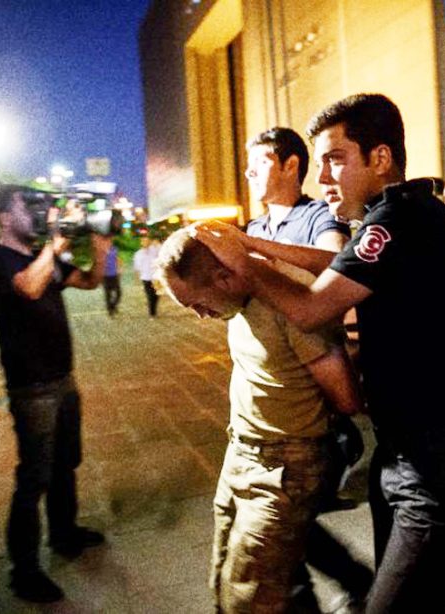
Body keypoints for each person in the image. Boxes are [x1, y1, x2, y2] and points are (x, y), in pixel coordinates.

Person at [195, 93, 445, 613]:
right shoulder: (404, 216)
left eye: (336, 159)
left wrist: (243, 261)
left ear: (379, 158)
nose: (323, 178)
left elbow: (311, 309)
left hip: (438, 467)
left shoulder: (395, 221)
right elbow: (347, 280)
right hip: (406, 454)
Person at [155, 227, 364, 612]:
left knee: (248, 596)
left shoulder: (286, 304)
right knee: (225, 574)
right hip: (241, 455)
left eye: (198, 304)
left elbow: (346, 397)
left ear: (223, 278)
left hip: (285, 468)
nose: (202, 316)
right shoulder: (237, 301)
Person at [245, 126, 371, 608]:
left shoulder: (315, 215)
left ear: (290, 165)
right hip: (276, 402)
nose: (250, 172)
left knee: (284, 519)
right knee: (284, 521)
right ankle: (342, 586)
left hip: (320, 399)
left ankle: (341, 585)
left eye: (258, 162)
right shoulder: (256, 229)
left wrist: (252, 253)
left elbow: (335, 259)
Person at [0, 188, 110, 603]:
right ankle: (24, 570)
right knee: (33, 478)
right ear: (4, 217)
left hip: (63, 377)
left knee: (65, 465)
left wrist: (101, 246)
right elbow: (30, 288)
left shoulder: (45, 256)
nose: (37, 213)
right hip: (31, 385)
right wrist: (55, 244)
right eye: (27, 207)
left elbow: (89, 281)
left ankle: (64, 534)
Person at [133, 235, 161, 317]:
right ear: (141, 243)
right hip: (145, 278)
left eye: (147, 241)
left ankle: (152, 308)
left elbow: (162, 253)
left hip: (156, 278)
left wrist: (157, 243)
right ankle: (152, 313)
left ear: (150, 242)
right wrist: (137, 279)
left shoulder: (155, 250)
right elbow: (137, 267)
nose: (146, 242)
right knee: (150, 295)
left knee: (156, 295)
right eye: (144, 241)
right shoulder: (138, 254)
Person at [102, 243, 122, 316]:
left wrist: (120, 268)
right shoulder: (101, 249)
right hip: (105, 276)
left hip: (114, 275)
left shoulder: (115, 248)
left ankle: (112, 306)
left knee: (119, 293)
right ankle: (110, 311)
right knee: (108, 294)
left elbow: (117, 259)